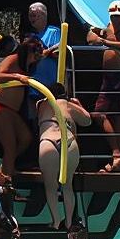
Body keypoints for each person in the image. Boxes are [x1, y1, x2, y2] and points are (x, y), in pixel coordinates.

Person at [87, 0, 120, 172]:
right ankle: (117, 153)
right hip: (108, 78)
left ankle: (118, 158)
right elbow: (90, 39)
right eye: (114, 16)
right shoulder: (107, 27)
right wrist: (94, 33)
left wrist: (103, 41)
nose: (118, 19)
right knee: (98, 113)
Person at [36, 82, 93, 229]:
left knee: (51, 186)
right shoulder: (68, 105)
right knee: (68, 185)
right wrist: (78, 104)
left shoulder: (41, 104)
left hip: (48, 140)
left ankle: (55, 221)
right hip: (68, 141)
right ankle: (69, 223)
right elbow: (87, 120)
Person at [0, 36, 44, 177]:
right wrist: (18, 77)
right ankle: (6, 180)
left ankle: (6, 165)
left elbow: (43, 54)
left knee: (25, 138)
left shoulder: (28, 64)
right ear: (28, 52)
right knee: (10, 146)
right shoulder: (13, 59)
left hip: (11, 111)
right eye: (34, 54)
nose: (36, 58)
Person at [25, 1, 62, 94]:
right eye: (30, 16)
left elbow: (59, 50)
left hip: (50, 84)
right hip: (33, 84)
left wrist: (46, 52)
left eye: (33, 15)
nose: (31, 19)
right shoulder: (30, 36)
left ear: (43, 15)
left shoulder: (54, 32)